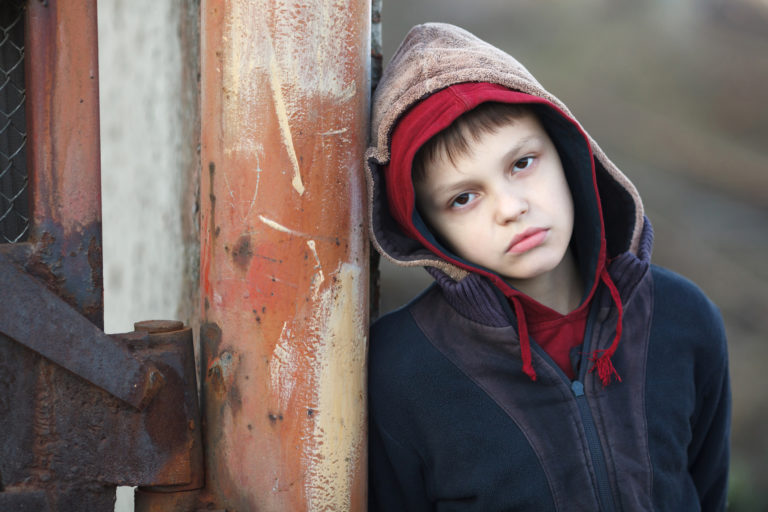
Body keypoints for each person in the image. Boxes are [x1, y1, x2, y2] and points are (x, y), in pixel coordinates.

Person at [366, 23, 730, 511]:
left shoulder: (684, 318)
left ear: (568, 153)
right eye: (463, 198)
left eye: (522, 163)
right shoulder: (401, 371)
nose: (511, 207)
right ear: (427, 231)